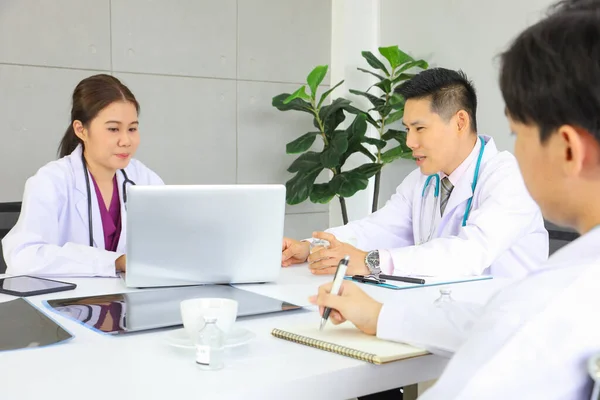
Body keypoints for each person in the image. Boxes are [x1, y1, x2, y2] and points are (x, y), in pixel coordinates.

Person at [311, 1, 600, 398]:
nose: (410, 141)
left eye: (518, 132)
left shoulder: (554, 298)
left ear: (567, 149)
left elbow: (490, 287)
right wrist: (371, 304)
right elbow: (492, 319)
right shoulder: (567, 284)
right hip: (449, 311)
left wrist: (373, 265)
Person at [282, 68, 548, 279]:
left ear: (460, 122)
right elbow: (377, 228)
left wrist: (369, 261)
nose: (409, 142)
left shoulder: (510, 179)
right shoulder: (423, 180)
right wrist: (312, 247)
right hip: (449, 316)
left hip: (512, 329)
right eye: (408, 129)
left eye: (420, 129)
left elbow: (469, 253)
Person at [2, 74, 163, 277]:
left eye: (132, 128)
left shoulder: (145, 180)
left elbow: (169, 245)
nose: (126, 140)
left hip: (129, 301)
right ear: (81, 130)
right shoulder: (51, 181)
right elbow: (24, 256)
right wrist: (114, 262)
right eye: (113, 129)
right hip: (62, 304)